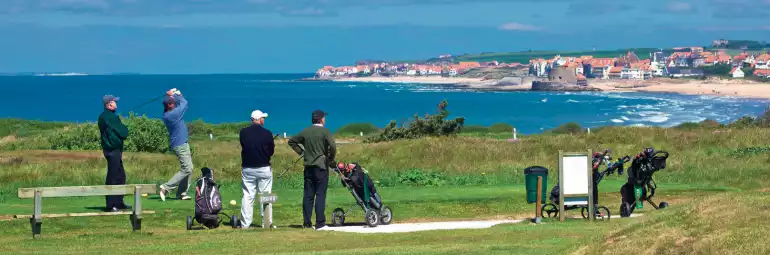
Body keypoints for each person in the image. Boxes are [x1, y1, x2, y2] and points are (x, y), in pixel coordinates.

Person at [288, 110, 337, 230]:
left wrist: (302, 152)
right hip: (321, 167)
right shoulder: (325, 131)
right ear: (321, 119)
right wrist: (330, 158)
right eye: (324, 117)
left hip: (308, 167)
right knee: (320, 195)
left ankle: (307, 222)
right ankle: (320, 223)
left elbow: (292, 141)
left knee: (308, 195)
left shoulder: (306, 131)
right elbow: (333, 147)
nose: (325, 119)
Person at [239, 110, 276, 228]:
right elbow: (271, 151)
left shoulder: (243, 132)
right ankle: (266, 222)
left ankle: (245, 224)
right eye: (263, 118)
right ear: (260, 119)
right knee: (265, 195)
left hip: (248, 168)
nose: (264, 120)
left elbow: (243, 146)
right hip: (264, 167)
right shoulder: (267, 133)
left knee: (247, 196)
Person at [97, 95, 131, 212]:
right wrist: (122, 125)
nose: (116, 104)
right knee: (113, 177)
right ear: (110, 104)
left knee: (120, 176)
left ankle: (119, 202)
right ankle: (111, 205)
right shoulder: (112, 118)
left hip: (110, 150)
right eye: (114, 102)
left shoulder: (103, 116)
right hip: (113, 150)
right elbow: (124, 132)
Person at [159, 88, 193, 201]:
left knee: (189, 168)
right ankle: (165, 187)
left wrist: (175, 95)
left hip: (182, 142)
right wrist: (175, 95)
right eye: (173, 102)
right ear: (170, 105)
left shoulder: (167, 114)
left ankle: (181, 193)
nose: (175, 103)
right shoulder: (173, 114)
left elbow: (180, 102)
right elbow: (184, 103)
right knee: (187, 169)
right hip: (180, 144)